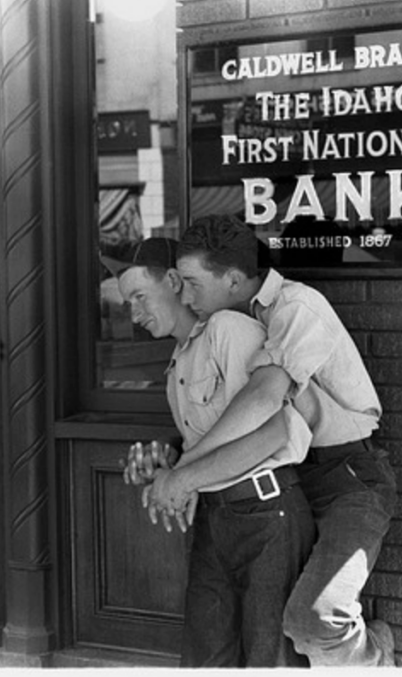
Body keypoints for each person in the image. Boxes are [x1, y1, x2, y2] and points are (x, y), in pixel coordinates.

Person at [163, 213, 398, 667]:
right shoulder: (230, 322)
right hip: (289, 483)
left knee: (313, 620)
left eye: (193, 283)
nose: (186, 297)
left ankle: (375, 657)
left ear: (233, 278)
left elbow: (265, 395)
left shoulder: (297, 306)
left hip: (349, 478)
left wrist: (184, 473)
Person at [111, 237, 316, 667]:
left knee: (269, 660)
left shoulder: (228, 329)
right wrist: (163, 460)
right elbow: (208, 445)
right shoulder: (177, 365)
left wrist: (181, 477)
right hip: (216, 520)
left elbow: (275, 431)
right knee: (205, 659)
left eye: (139, 297)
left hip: (267, 516)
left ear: (172, 281)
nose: (134, 313)